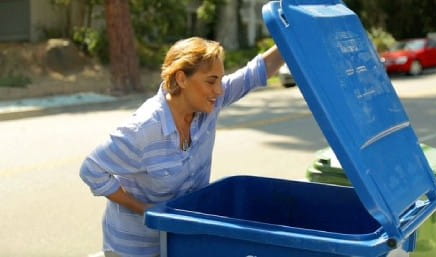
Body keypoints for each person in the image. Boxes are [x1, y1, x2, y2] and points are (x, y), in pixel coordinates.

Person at [80, 36, 284, 257]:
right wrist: (147, 211)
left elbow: (256, 72)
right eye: (211, 81)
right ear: (182, 78)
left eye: (220, 80)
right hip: (136, 248)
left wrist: (290, 35)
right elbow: (91, 170)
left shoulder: (208, 105)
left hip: (180, 243)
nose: (219, 90)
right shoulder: (144, 129)